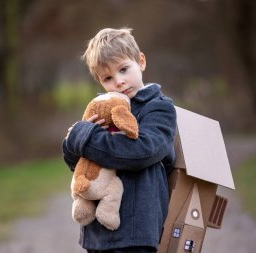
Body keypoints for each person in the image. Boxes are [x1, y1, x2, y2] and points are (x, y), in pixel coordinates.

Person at [62, 27, 177, 253]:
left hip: (136, 228)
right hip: (98, 230)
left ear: (141, 61)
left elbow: (141, 152)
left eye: (124, 69)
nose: (119, 82)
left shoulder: (159, 108)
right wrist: (73, 141)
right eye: (108, 78)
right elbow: (77, 162)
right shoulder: (100, 110)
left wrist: (85, 137)